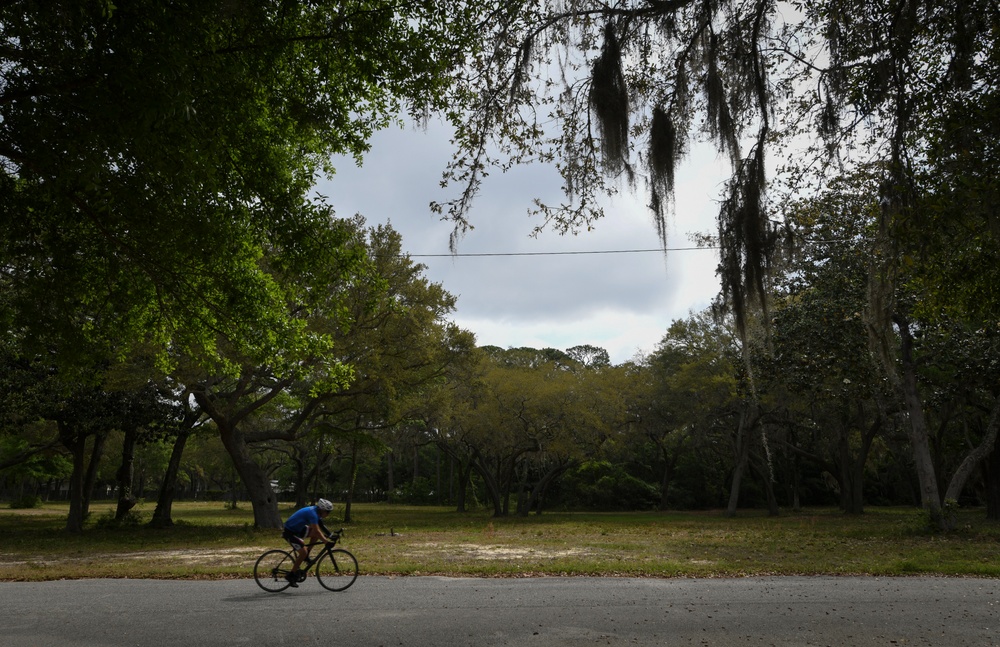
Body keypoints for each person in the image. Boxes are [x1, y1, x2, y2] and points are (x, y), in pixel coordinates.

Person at [281, 498, 335, 587]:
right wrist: (326, 542)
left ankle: (306, 556)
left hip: (298, 529)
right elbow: (317, 530)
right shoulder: (312, 514)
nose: (328, 514)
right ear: (322, 510)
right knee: (303, 552)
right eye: (328, 512)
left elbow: (321, 525)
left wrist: (330, 535)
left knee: (315, 535)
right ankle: (291, 575)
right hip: (290, 532)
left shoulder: (316, 510)